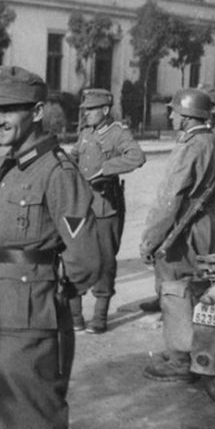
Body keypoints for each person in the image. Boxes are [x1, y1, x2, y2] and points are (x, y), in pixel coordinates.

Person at [0, 65, 101, 429]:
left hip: (29, 324)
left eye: (9, 110)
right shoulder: (14, 164)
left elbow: (86, 258)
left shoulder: (57, 172)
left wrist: (51, 297)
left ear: (38, 111)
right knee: (1, 427)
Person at [138, 88, 215, 381]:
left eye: (175, 111)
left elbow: (169, 200)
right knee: (200, 289)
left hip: (185, 230)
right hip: (211, 225)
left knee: (175, 290)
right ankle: (193, 349)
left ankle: (180, 359)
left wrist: (150, 240)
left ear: (189, 116)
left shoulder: (190, 147)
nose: (171, 115)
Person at [67, 88, 145, 333]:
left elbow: (137, 156)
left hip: (105, 206)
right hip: (79, 205)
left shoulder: (118, 133)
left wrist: (107, 169)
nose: (86, 115)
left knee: (105, 261)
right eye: (84, 110)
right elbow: (74, 157)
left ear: (104, 110)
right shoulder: (86, 133)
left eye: (90, 110)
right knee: (73, 258)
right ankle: (75, 317)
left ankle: (99, 318)